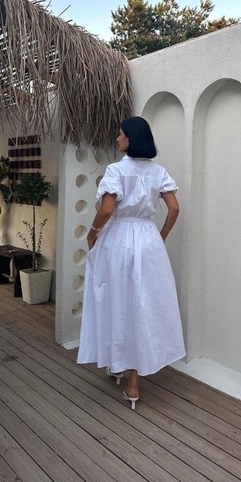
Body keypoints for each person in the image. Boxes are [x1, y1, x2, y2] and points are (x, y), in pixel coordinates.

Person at [77, 116, 186, 410]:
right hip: (148, 239)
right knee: (142, 304)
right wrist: (161, 235)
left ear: (131, 138)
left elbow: (107, 209)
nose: (117, 138)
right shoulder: (159, 172)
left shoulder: (116, 170)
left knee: (117, 300)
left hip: (119, 239)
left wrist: (92, 233)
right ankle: (133, 383)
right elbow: (174, 208)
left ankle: (119, 366)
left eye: (120, 134)